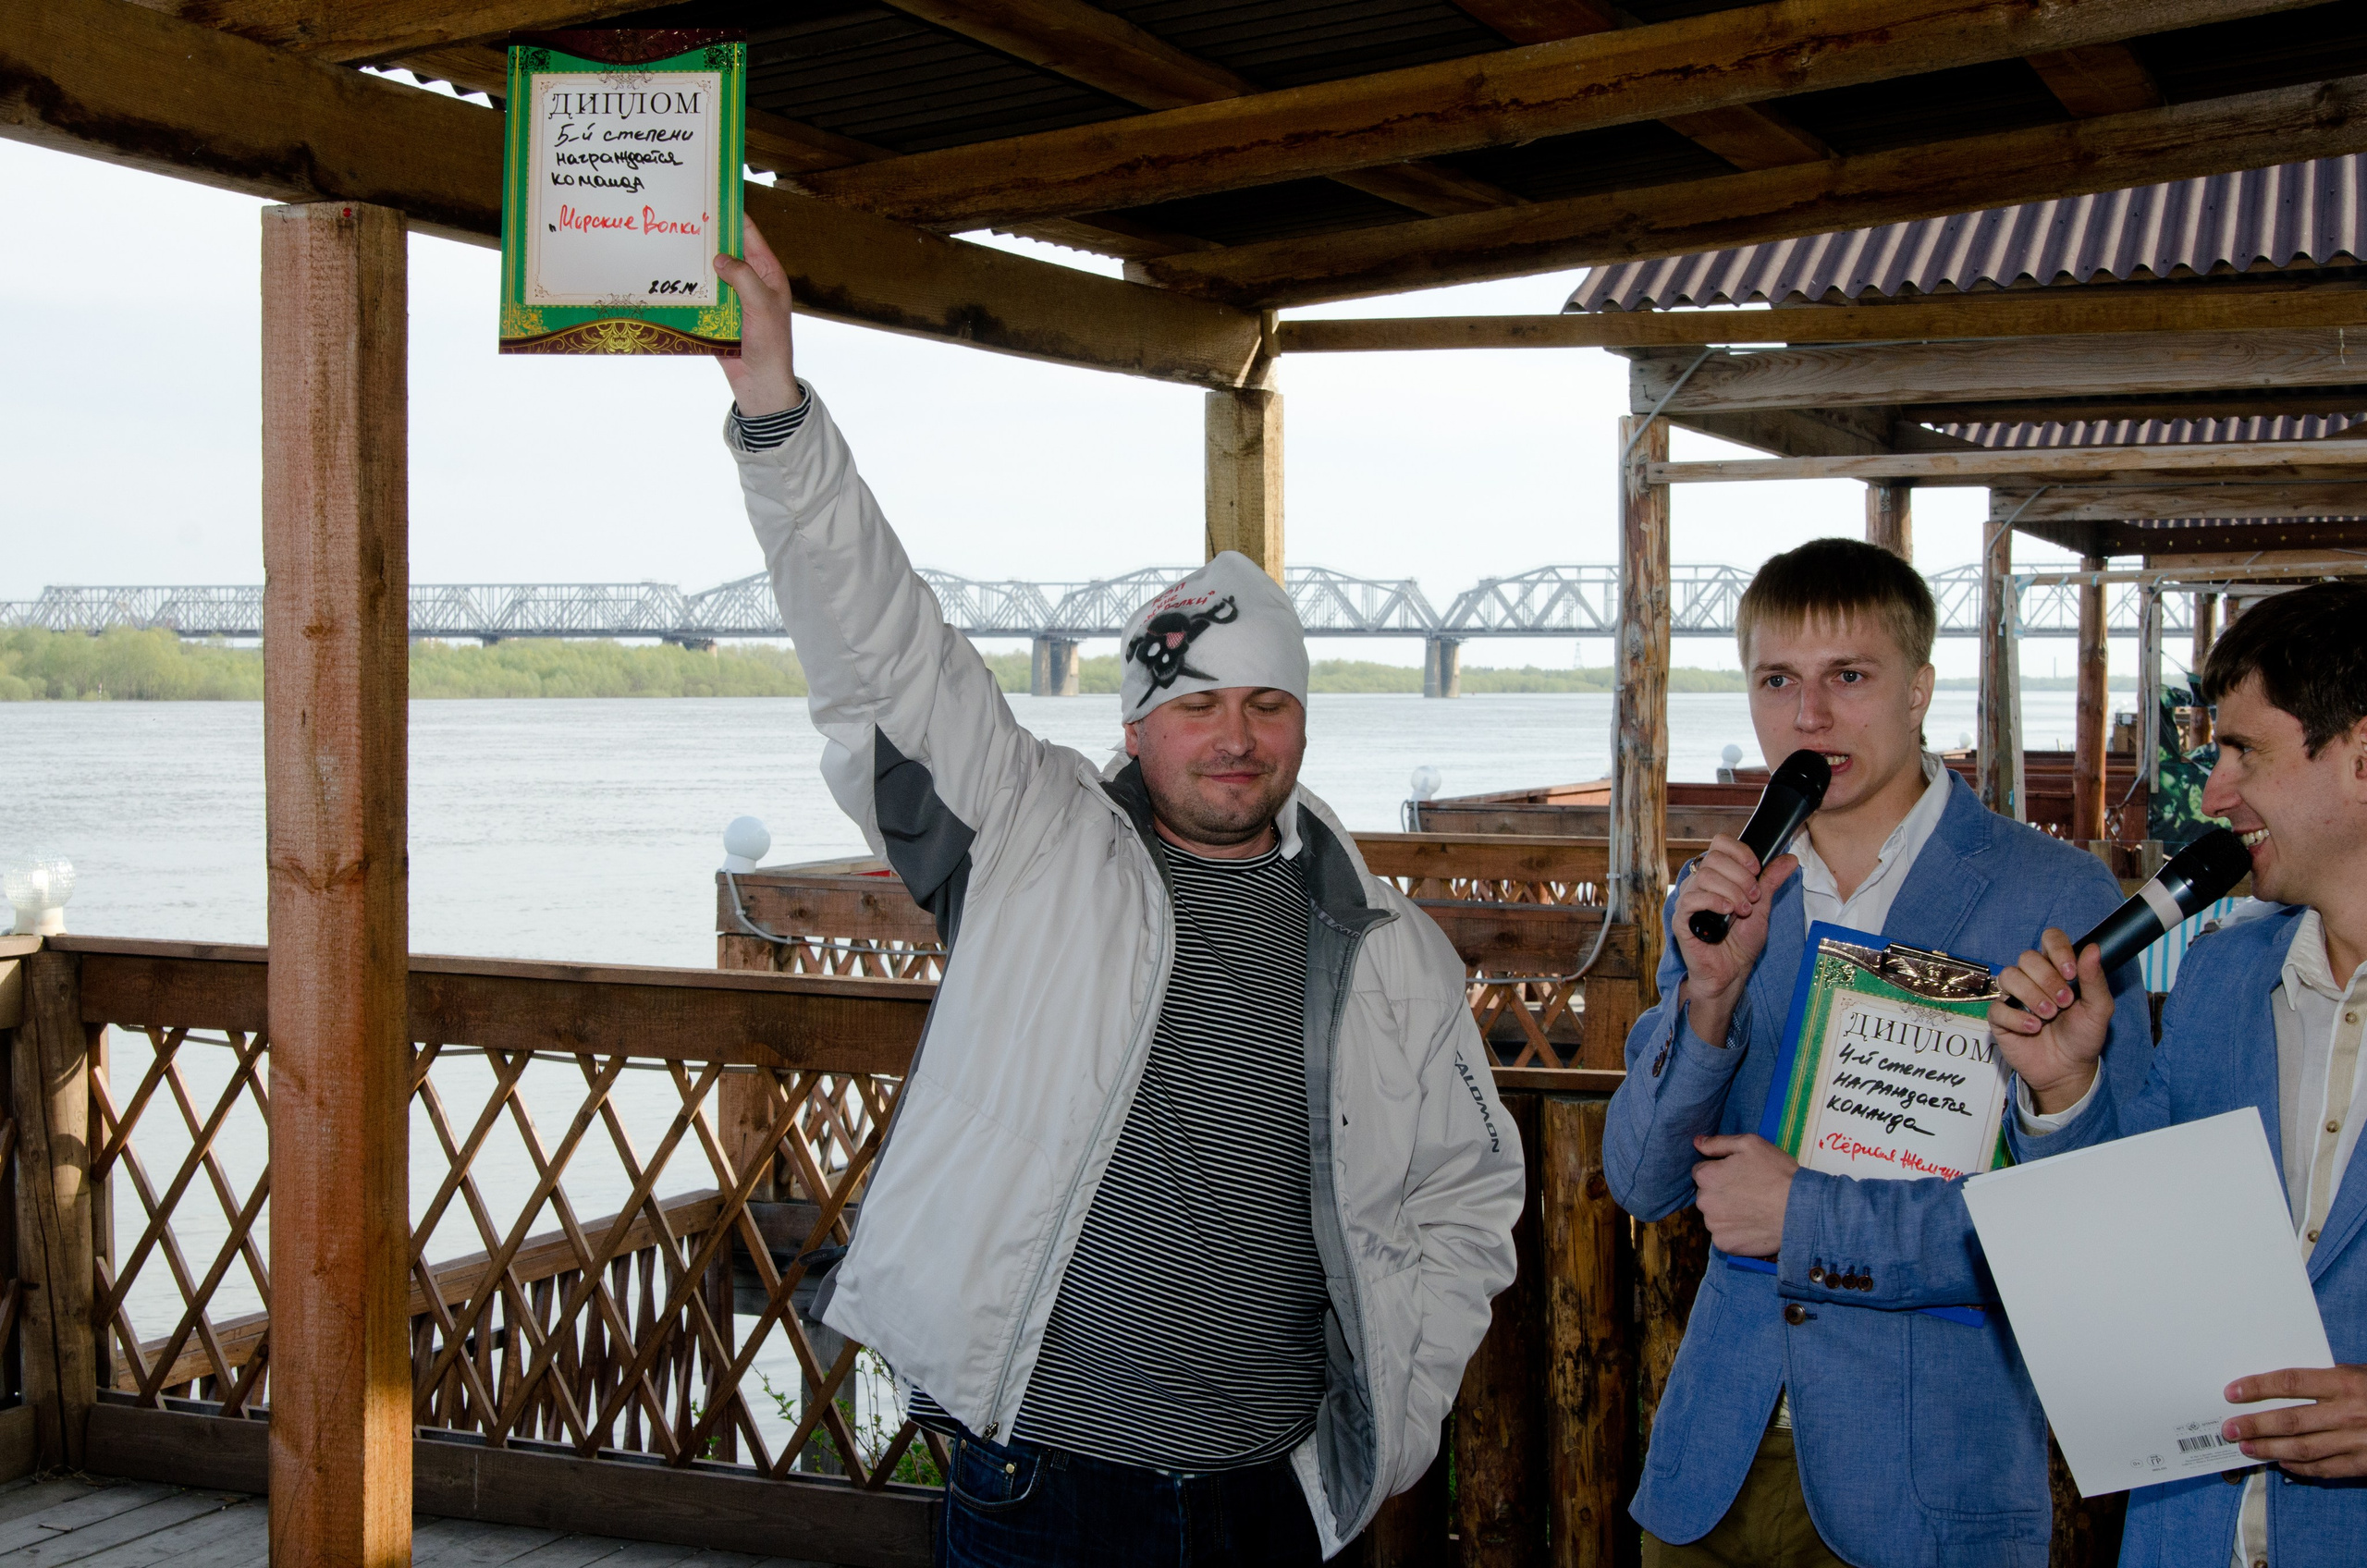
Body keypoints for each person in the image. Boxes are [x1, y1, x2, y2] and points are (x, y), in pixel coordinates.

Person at [708, 225, 1523, 1567]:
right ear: (1137, 728)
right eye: (1196, 705)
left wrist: (1398, 1423)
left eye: (1269, 702)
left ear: (1306, 724)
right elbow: (884, 644)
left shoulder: (1387, 951)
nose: (1237, 736)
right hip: (1042, 1491)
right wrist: (774, 408)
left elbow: (1467, 1192)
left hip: (1272, 1501)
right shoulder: (1024, 845)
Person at [1604, 537, 2154, 1568]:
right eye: (1778, 681)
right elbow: (1638, 1179)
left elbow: (2086, 1231)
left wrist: (1802, 1215)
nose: (1809, 718)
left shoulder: (2053, 899)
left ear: (1919, 692)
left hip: (1925, 1488)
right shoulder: (1721, 898)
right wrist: (1709, 1005)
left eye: (1847, 677)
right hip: (1710, 1474)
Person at [1994, 581, 2367, 1568]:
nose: (2211, 795)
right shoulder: (2217, 975)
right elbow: (2132, 1254)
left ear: (2362, 757)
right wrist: (2067, 1086)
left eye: (2244, 750)